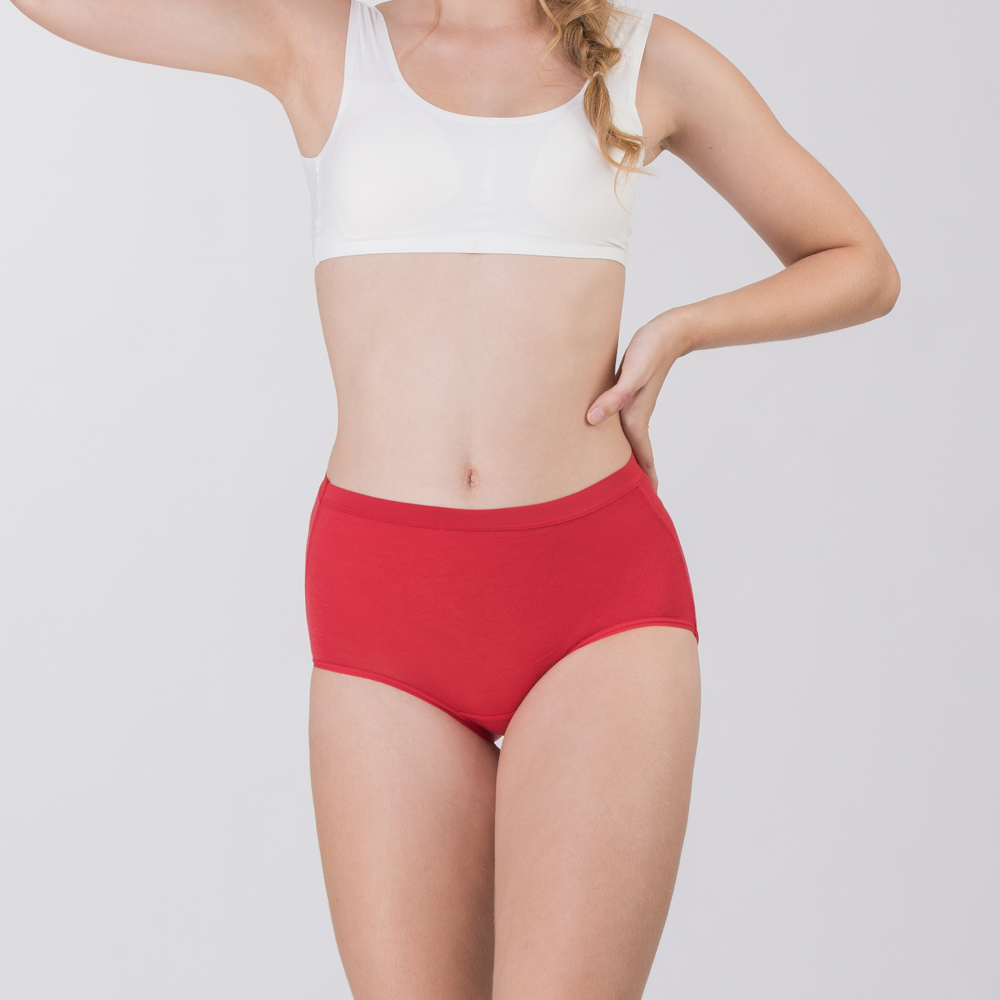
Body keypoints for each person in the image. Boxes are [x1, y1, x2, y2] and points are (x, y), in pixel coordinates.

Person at [10, 0, 899, 995]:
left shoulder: (642, 56)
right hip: (385, 609)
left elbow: (859, 263)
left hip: (596, 600)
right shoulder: (322, 39)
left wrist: (680, 331)